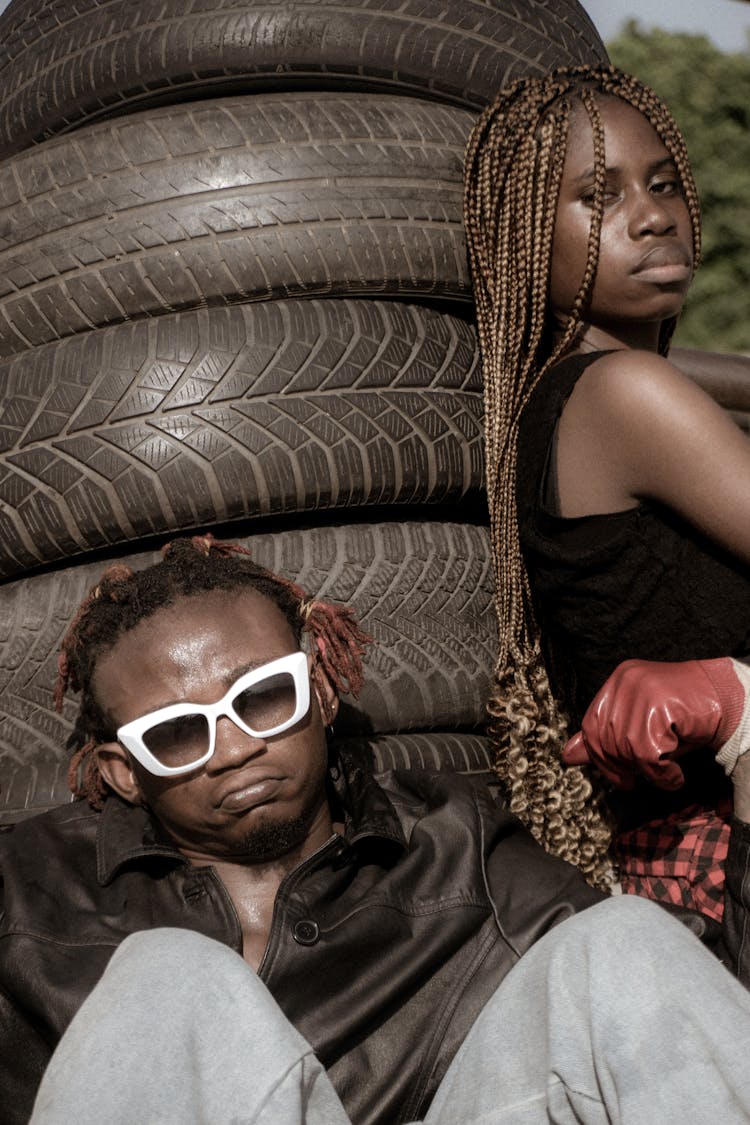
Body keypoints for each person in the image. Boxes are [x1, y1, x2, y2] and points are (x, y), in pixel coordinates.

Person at [4, 533, 750, 1125]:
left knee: (626, 942)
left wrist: (747, 730)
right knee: (165, 976)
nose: (235, 748)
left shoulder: (456, 850)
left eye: (266, 697)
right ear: (125, 769)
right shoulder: (30, 892)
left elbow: (702, 1016)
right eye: (175, 734)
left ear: (321, 688)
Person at [463, 64, 750, 911]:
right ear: (524, 236)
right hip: (717, 854)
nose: (655, 216)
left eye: (664, 185)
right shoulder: (624, 392)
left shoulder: (570, 394)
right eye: (601, 196)